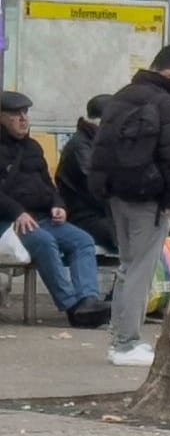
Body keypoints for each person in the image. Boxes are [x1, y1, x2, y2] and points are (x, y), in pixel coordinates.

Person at [90, 45, 170, 365]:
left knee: (126, 266)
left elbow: (101, 149)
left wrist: (101, 189)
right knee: (140, 269)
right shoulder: (163, 103)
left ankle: (118, 337)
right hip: (148, 197)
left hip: (117, 195)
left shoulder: (121, 95)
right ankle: (127, 343)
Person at [0, 91, 109, 328]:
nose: (23, 119)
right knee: (44, 242)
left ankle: (88, 300)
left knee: (82, 240)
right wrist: (18, 211)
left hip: (42, 216)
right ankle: (71, 306)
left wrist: (58, 205)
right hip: (10, 221)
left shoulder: (33, 147)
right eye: (15, 114)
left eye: (25, 113)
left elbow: (49, 186)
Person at [56, 95, 116, 251]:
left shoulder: (101, 142)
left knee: (168, 235)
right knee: (134, 235)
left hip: (105, 214)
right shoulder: (80, 147)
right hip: (85, 217)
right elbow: (95, 187)